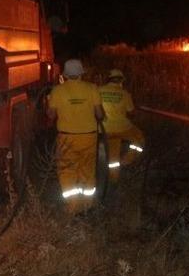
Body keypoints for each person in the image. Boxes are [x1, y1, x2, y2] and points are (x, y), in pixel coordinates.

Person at [47, 59, 105, 215]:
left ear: (65, 75)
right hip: (89, 137)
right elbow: (100, 114)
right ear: (81, 73)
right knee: (87, 171)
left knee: (67, 171)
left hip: (67, 139)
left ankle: (72, 208)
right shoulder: (92, 89)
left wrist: (50, 105)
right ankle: (87, 206)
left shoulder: (57, 91)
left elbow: (51, 116)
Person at [99, 69, 145, 183]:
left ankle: (113, 180)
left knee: (113, 159)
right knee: (139, 140)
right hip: (122, 128)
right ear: (121, 80)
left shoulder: (99, 91)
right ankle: (126, 161)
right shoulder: (124, 94)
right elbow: (131, 111)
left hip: (104, 129)